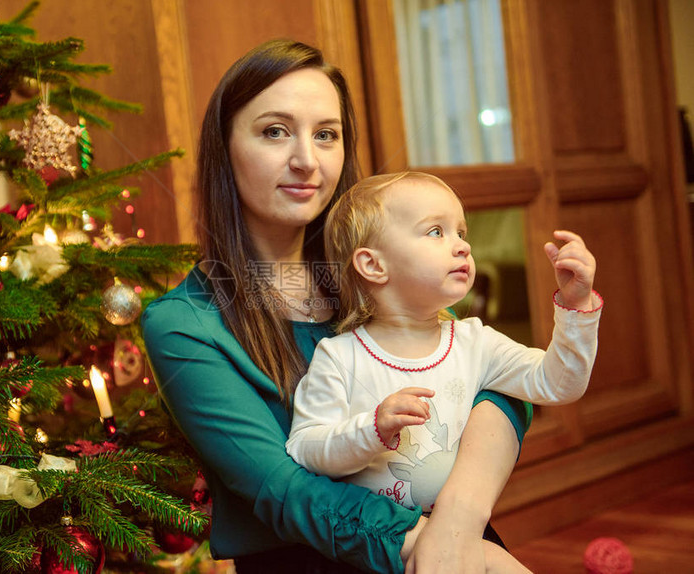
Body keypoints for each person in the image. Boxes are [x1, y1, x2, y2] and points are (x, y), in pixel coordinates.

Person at [142, 39, 531, 573]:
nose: (306, 160)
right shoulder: (184, 323)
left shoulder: (378, 268)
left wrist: (459, 523)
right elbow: (281, 489)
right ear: (224, 147)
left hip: (449, 536)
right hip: (333, 556)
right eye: (274, 131)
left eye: (326, 134)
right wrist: (427, 545)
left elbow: (493, 376)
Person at [286, 171, 603, 571]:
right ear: (373, 264)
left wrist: (577, 307)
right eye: (436, 231)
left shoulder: (475, 342)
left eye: (461, 231)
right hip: (374, 550)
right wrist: (371, 430)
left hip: (455, 538)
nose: (462, 246)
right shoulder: (340, 357)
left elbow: (557, 384)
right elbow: (305, 448)